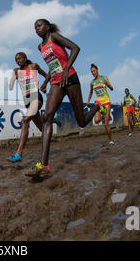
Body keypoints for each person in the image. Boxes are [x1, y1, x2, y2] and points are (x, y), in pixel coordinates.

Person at [25, 19, 105, 177]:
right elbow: (52, 65)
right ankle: (44, 164)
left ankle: (97, 107)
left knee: (81, 122)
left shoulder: (54, 37)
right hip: (56, 82)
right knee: (47, 117)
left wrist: (67, 70)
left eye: (39, 26)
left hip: (70, 79)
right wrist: (46, 81)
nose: (36, 29)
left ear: (47, 27)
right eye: (34, 27)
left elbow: (75, 48)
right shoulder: (41, 47)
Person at [7, 52, 49, 162]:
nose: (18, 61)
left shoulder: (33, 66)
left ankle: (19, 153)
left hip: (36, 97)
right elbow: (10, 87)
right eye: (16, 60)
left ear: (25, 58)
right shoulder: (16, 71)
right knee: (41, 128)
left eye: (20, 58)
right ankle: (52, 120)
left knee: (25, 121)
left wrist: (44, 85)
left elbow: (46, 75)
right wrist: (12, 79)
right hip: (27, 102)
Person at [86, 64, 114, 146]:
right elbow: (91, 92)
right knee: (96, 121)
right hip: (98, 103)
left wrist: (108, 85)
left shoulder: (104, 78)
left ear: (97, 70)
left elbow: (112, 88)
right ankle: (104, 116)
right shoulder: (92, 82)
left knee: (106, 124)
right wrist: (88, 101)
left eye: (94, 71)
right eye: (91, 72)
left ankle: (111, 141)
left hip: (106, 101)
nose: (93, 73)